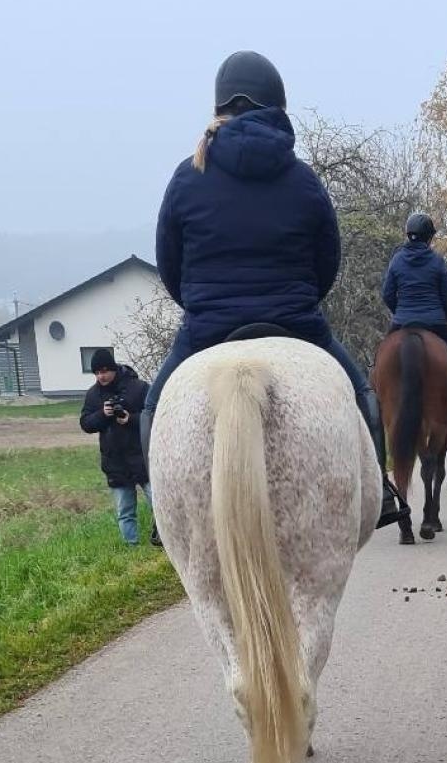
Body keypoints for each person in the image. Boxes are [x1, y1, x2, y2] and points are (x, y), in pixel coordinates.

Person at [141, 50, 404, 528]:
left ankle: (163, 513)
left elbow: (169, 265)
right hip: (297, 326)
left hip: (207, 330)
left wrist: (204, 305)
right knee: (364, 394)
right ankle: (382, 493)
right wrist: (297, 299)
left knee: (153, 407)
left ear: (220, 108)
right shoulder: (304, 181)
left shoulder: (187, 175)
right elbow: (328, 265)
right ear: (277, 107)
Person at [380, 211, 447, 406]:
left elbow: (387, 294)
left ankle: (372, 401)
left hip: (402, 321)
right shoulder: (437, 261)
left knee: (378, 360)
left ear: (408, 234)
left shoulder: (397, 260)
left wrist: (400, 311)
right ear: (429, 237)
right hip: (435, 322)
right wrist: (437, 313)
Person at [80, 348, 159, 546]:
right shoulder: (92, 395)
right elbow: (86, 424)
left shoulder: (139, 387)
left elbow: (155, 416)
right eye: (97, 372)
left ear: (114, 369)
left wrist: (130, 419)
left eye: (105, 371)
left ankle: (164, 540)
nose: (101, 376)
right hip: (115, 462)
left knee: (160, 506)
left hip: (143, 458)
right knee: (125, 512)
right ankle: (131, 548)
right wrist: (102, 414)